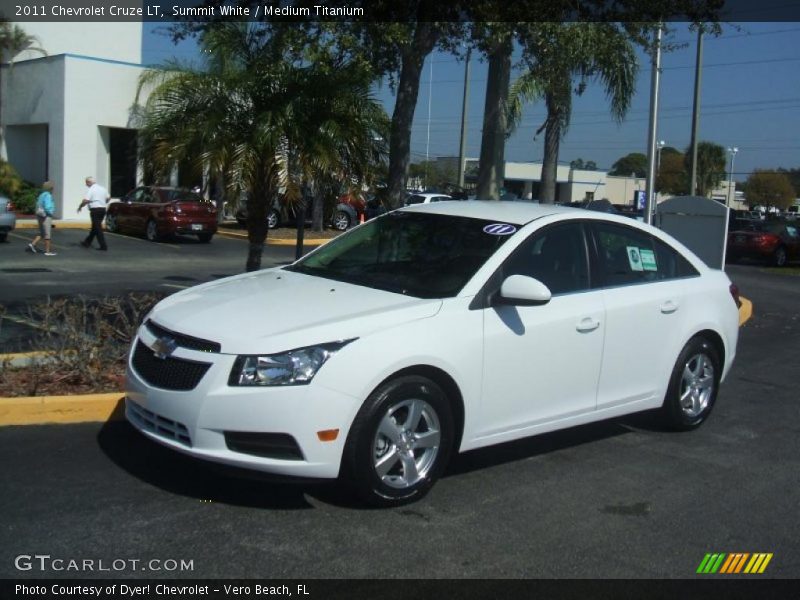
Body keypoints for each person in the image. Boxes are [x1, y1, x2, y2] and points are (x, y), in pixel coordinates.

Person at [78, 176, 109, 250]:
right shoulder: (102, 188)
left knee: (97, 228)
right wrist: (103, 202)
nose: (86, 185)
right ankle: (87, 242)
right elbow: (108, 198)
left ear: (89, 182)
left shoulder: (91, 189)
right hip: (103, 209)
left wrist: (80, 206)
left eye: (86, 183)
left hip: (95, 210)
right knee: (95, 227)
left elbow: (86, 200)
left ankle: (103, 246)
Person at [28, 181, 57, 256]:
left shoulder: (42, 195)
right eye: (52, 188)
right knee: (47, 234)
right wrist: (51, 213)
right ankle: (47, 251)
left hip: (40, 215)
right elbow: (47, 207)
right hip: (46, 216)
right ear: (50, 188)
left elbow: (38, 204)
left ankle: (32, 244)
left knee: (42, 232)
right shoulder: (48, 195)